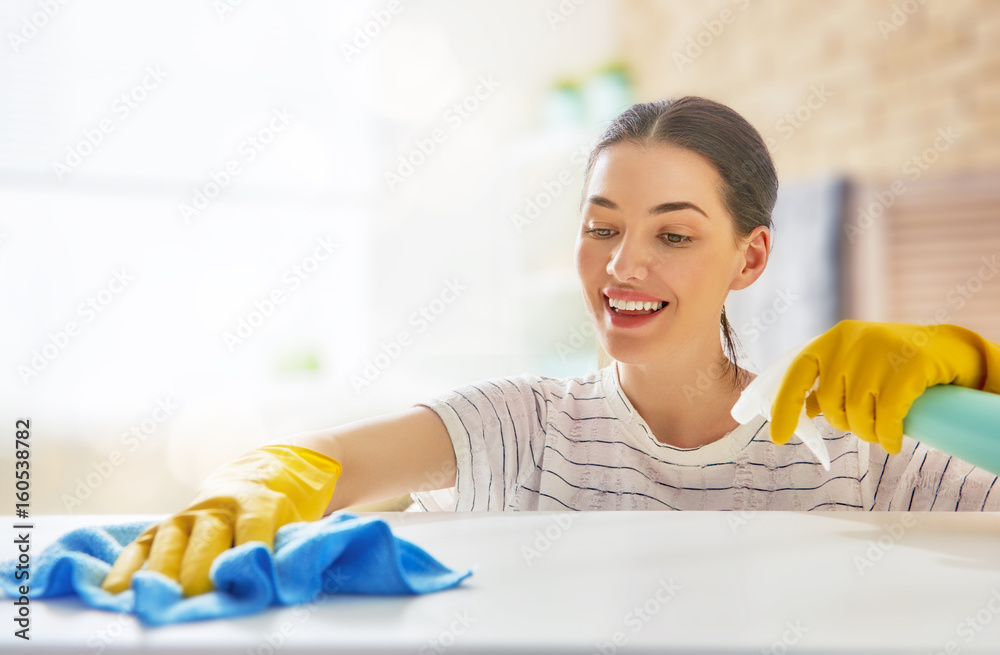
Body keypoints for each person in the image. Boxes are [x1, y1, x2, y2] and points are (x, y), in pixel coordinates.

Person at [102, 96, 1000, 598]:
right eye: (600, 227)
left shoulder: (859, 446)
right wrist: (262, 477)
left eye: (674, 235)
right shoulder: (520, 424)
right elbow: (325, 462)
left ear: (750, 257)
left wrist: (974, 366)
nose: (624, 265)